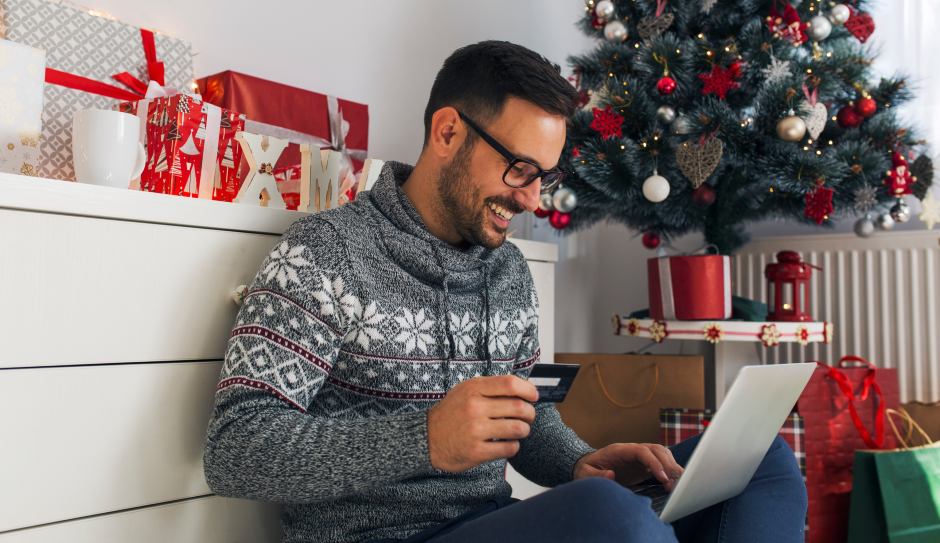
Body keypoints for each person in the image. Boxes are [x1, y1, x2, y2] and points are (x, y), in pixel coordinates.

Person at [203, 41, 807, 543]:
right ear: (447, 133)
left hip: (488, 523)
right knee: (614, 520)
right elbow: (235, 448)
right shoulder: (325, 253)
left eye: (545, 178)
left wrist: (578, 462)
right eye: (520, 170)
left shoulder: (507, 270)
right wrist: (424, 438)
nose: (532, 200)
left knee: (763, 462)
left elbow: (526, 419)